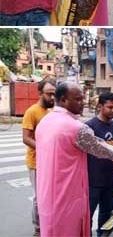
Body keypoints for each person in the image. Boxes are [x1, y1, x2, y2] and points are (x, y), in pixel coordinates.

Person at [35, 82, 113, 237]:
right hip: (68, 195)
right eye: (78, 99)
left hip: (47, 194)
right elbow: (104, 150)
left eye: (83, 98)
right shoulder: (77, 128)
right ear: (63, 100)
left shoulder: (45, 122)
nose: (83, 103)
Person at [85, 93, 113, 237]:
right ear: (100, 106)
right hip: (91, 181)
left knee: (106, 215)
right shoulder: (89, 126)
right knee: (87, 216)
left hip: (110, 181)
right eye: (110, 107)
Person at [21, 79, 56, 236]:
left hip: (50, 162)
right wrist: (45, 149)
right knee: (39, 198)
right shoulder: (32, 112)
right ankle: (38, 230)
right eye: (49, 94)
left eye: (54, 94)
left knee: (50, 196)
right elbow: (26, 138)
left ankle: (48, 225)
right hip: (36, 162)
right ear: (40, 93)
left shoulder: (52, 112)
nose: (52, 98)